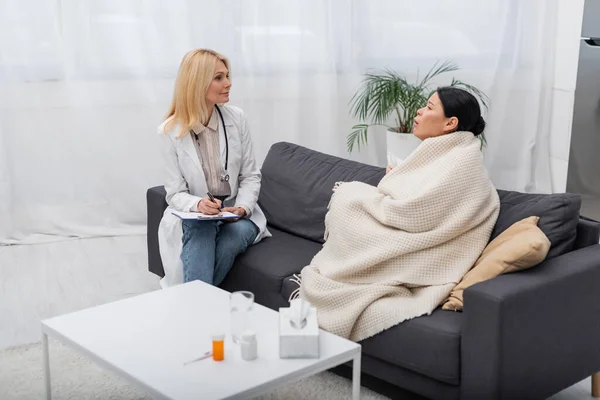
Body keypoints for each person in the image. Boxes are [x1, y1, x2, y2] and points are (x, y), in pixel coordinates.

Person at [298, 86, 500, 342]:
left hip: (425, 247)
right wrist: (397, 178)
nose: (419, 110)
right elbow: (423, 192)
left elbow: (415, 211)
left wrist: (394, 182)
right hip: (410, 225)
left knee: (350, 197)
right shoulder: (447, 150)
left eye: (429, 107)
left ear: (450, 123)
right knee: (353, 197)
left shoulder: (463, 160)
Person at [157, 49, 270, 288]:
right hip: (197, 215)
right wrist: (198, 205)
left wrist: (243, 207)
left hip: (235, 213)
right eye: (219, 77)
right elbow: (174, 193)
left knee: (234, 236)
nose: (228, 83)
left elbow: (250, 175)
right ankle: (200, 307)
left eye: (227, 76)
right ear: (197, 82)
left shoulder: (236, 118)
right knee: (202, 231)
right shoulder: (170, 132)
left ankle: (191, 303)